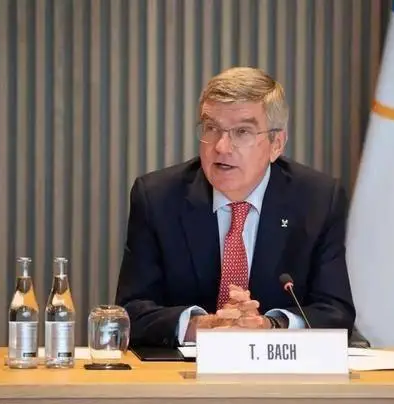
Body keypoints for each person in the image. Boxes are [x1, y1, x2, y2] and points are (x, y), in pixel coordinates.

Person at [115, 66, 355, 348]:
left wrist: (270, 326)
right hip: (183, 370)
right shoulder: (158, 198)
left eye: (242, 132)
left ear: (276, 144)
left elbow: (336, 313)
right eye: (211, 128)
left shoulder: (317, 199)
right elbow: (130, 312)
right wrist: (199, 326)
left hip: (279, 370)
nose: (221, 146)